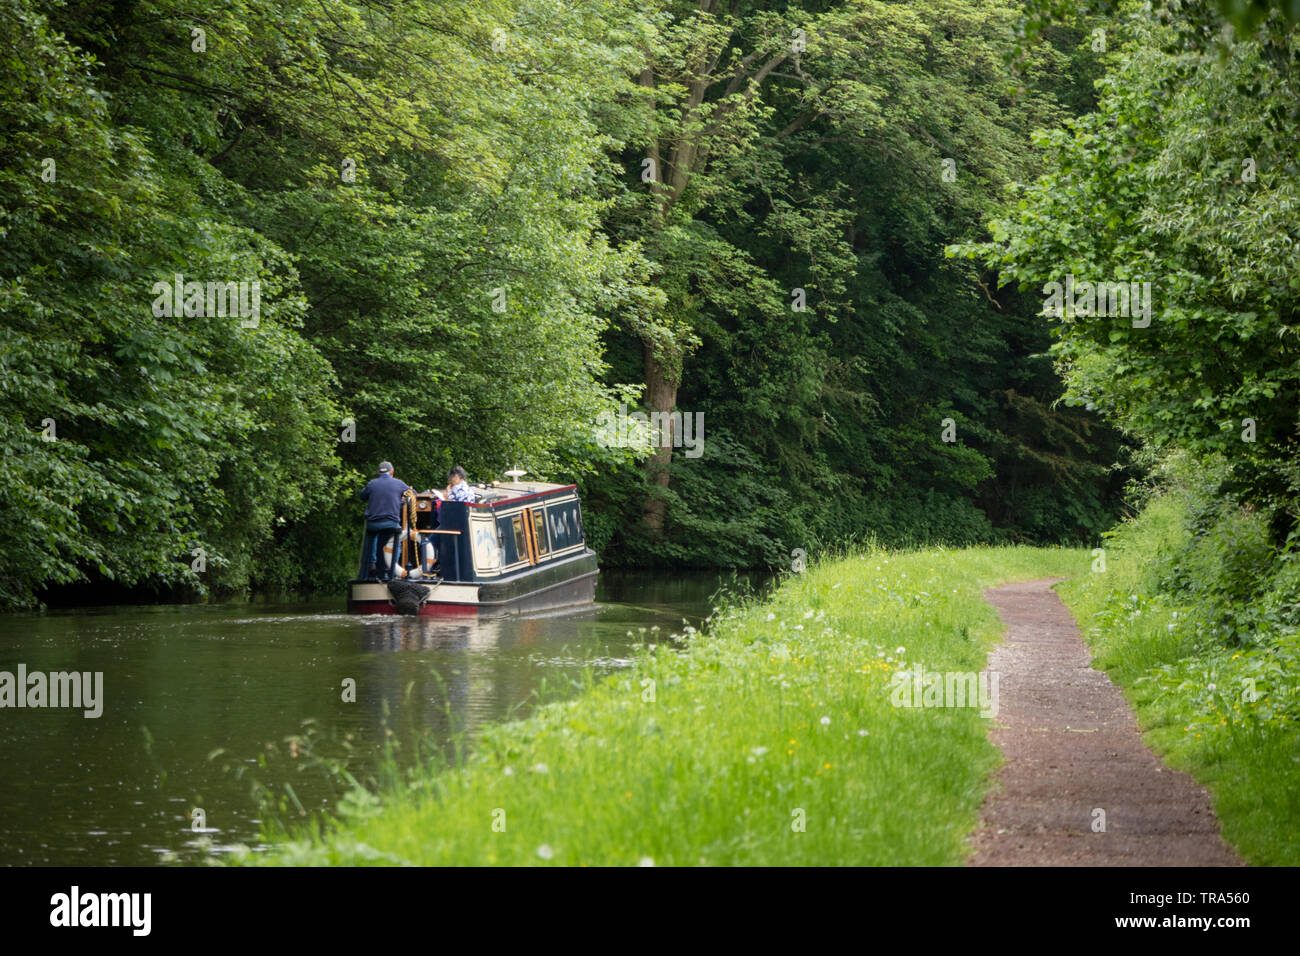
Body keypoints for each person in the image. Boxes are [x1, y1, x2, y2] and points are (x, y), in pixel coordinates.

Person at [358, 461, 411, 580]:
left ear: (379, 472)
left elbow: (362, 496)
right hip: (391, 523)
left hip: (373, 524)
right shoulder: (399, 484)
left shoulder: (372, 483)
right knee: (396, 543)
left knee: (373, 535)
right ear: (392, 472)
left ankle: (372, 563)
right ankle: (390, 568)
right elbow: (413, 494)